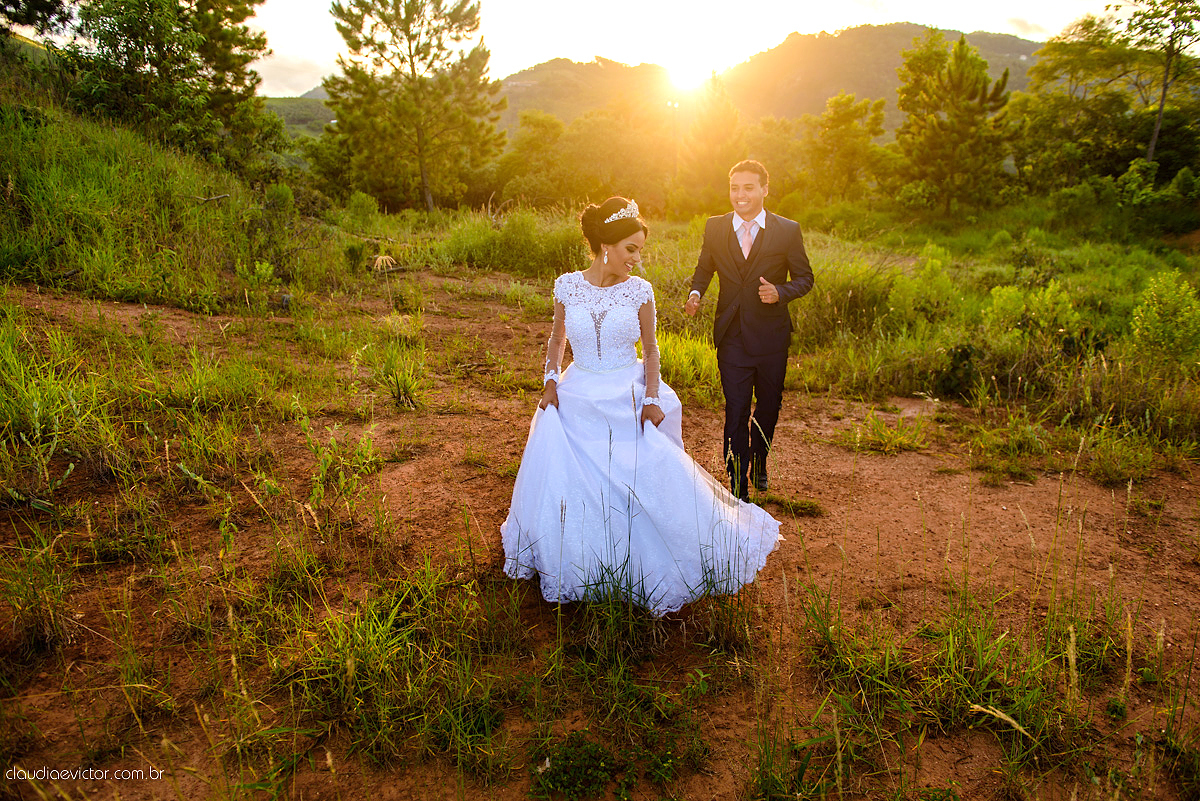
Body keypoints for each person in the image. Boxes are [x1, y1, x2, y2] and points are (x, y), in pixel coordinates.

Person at [501, 196, 781, 616]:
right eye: (631, 249)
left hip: (626, 391)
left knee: (641, 474)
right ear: (607, 245)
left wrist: (651, 398)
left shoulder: (640, 292)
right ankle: (579, 557)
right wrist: (550, 380)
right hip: (577, 391)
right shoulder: (567, 285)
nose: (637, 259)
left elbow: (650, 351)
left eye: (640, 250)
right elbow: (557, 340)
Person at [685, 160, 814, 501]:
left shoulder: (787, 230)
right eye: (734, 188)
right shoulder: (715, 227)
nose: (740, 195)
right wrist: (696, 292)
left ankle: (759, 458)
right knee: (736, 407)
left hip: (771, 336)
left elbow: (805, 278)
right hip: (732, 336)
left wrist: (780, 292)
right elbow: (704, 267)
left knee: (769, 405)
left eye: (748, 188)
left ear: (764, 190)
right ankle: (737, 486)